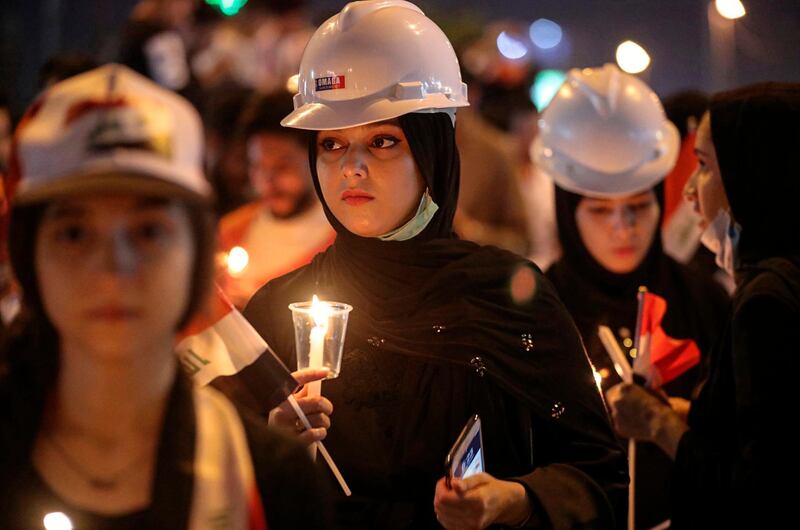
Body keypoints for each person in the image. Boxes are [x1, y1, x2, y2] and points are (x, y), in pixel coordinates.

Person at [239, 2, 628, 529]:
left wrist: (513, 500)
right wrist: (270, 448)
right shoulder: (277, 311)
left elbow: (601, 480)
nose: (351, 167)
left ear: (433, 151)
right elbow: (214, 491)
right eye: (331, 144)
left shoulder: (509, 296)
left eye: (382, 141)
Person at [0, 64, 326, 529]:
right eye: (74, 233)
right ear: (29, 260)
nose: (113, 268)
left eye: (149, 231)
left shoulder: (270, 479)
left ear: (197, 255)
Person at [532, 64, 729, 529]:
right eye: (600, 211)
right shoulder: (538, 309)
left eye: (639, 206)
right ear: (567, 213)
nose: (624, 228)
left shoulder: (705, 300)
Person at [606, 82, 800, 529]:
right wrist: (690, 415)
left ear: (753, 175)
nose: (691, 190)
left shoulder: (766, 303)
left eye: (706, 167)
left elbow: (757, 489)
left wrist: (660, 425)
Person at [218, 93, 335, 308]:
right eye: (258, 167)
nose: (267, 181)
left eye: (282, 167)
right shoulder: (228, 234)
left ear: (314, 157)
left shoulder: (341, 242)